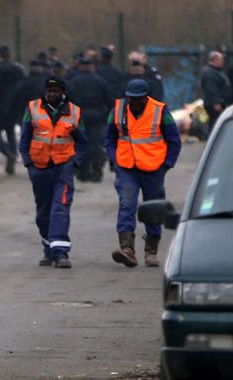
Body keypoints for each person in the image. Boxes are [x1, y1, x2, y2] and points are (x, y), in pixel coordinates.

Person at [104, 79, 181, 268]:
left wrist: (166, 165)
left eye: (139, 99)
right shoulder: (117, 110)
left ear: (146, 97)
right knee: (127, 204)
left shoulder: (160, 111)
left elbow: (174, 140)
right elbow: (109, 138)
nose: (135, 102)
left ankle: (151, 250)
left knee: (153, 209)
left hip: (153, 169)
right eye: (132, 98)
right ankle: (127, 249)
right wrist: (114, 160)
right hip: (126, 167)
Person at [19, 78, 87, 268]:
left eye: (56, 91)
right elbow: (24, 138)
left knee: (60, 208)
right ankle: (49, 248)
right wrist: (28, 163)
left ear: (62, 93)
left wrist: (75, 162)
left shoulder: (74, 112)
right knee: (43, 213)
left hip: (63, 168)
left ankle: (61, 254)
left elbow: (82, 140)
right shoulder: (32, 109)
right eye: (49, 91)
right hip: (39, 168)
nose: (52, 94)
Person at [69, 57, 113, 182]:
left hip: (80, 115)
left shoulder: (74, 81)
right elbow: (109, 99)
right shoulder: (100, 81)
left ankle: (83, 171)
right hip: (97, 115)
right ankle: (97, 169)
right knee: (95, 143)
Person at [0, 46, 26, 175]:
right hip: (14, 106)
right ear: (9, 54)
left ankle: (5, 152)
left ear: (0, 54)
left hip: (0, 105)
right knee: (10, 133)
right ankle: (12, 158)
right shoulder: (18, 68)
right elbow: (23, 85)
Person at [200, 51, 231, 133]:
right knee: (215, 123)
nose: (223, 62)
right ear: (214, 60)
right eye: (221, 60)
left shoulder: (216, 71)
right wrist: (216, 102)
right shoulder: (210, 73)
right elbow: (211, 89)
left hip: (221, 102)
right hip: (215, 104)